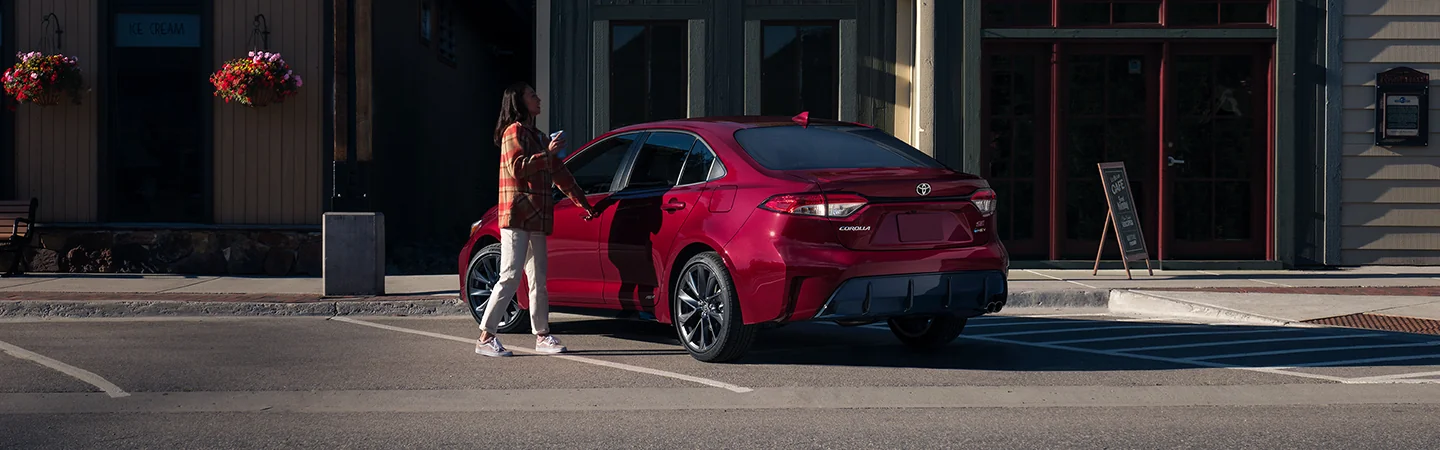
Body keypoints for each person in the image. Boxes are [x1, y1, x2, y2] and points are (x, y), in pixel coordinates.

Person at [477, 82, 598, 357]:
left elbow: (561, 175)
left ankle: (542, 336)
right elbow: (517, 167)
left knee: (539, 279)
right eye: (533, 95)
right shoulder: (514, 132)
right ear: (520, 102)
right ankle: (485, 337)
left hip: (537, 218)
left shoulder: (540, 136)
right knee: (509, 276)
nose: (539, 99)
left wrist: (584, 202)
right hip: (517, 215)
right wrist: (548, 153)